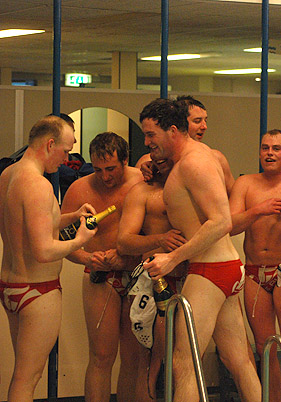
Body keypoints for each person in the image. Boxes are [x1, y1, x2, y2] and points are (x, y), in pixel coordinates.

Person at [140, 98, 261, 401]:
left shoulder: (194, 163)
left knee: (184, 363)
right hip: (222, 267)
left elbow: (221, 221)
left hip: (210, 270)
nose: (147, 142)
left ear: (172, 131)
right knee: (238, 360)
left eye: (151, 135)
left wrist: (172, 258)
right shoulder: (191, 159)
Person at [0, 116, 97, 401]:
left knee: (22, 375)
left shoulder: (8, 175)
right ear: (49, 144)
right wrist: (80, 240)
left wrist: (71, 216)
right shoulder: (39, 185)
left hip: (12, 286)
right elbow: (43, 251)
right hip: (37, 291)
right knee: (27, 379)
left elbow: (25, 222)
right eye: (65, 151)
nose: (67, 160)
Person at [61, 132, 143, 402]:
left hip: (137, 274)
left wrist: (129, 259)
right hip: (100, 276)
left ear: (125, 161)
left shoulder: (141, 181)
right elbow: (62, 242)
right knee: (101, 356)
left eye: (111, 169)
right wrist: (87, 258)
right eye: (98, 170)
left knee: (134, 357)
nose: (105, 177)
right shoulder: (79, 189)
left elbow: (157, 233)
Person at [229, 129, 281, 401]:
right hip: (255, 273)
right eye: (265, 148)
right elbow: (231, 226)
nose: (270, 153)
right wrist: (258, 210)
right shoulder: (245, 184)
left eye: (276, 148)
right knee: (264, 346)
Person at [116, 155, 187, 401]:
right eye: (151, 159)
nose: (155, 163)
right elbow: (124, 242)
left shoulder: (191, 184)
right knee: (150, 361)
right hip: (155, 282)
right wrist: (160, 239)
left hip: (191, 277)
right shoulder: (142, 192)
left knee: (186, 358)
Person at [135, 95, 235, 194]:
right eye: (197, 121)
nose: (204, 126)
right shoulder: (149, 161)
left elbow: (230, 197)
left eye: (205, 120)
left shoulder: (213, 158)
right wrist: (155, 172)